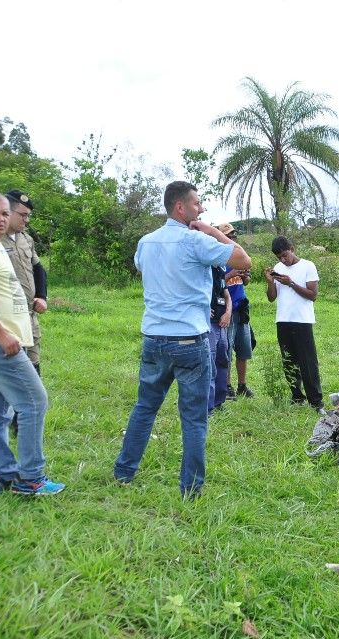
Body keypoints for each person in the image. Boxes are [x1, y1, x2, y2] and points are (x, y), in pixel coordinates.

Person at [113, 181, 250, 499]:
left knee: (145, 406)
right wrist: (210, 230)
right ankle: (191, 487)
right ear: (180, 207)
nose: (201, 209)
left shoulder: (146, 242)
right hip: (190, 340)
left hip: (154, 338)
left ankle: (124, 472)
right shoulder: (194, 241)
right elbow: (243, 261)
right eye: (197, 204)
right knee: (193, 416)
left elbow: (141, 268)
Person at [0, 193, 64, 496]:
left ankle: (6, 475)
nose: (1, 218)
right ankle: (30, 478)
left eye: (5, 213)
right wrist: (3, 333)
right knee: (34, 402)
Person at [265, 236, 323, 412]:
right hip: (283, 320)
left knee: (308, 362)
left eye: (285, 255)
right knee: (289, 361)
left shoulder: (308, 266)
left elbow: (313, 295)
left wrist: (291, 283)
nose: (283, 260)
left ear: (292, 248)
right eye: (279, 257)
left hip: (302, 320)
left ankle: (316, 402)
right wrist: (270, 282)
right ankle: (296, 396)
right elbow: (271, 297)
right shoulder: (278, 268)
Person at [1, 190, 47, 373]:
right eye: (23, 215)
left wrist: (41, 296)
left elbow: (38, 268)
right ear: (8, 212)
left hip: (29, 313)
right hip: (6, 317)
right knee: (11, 368)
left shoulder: (26, 239)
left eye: (29, 216)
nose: (27, 220)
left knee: (33, 365)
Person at [219, 224, 255, 399]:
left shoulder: (238, 256)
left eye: (233, 236)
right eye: (228, 236)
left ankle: (242, 385)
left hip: (241, 307)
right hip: (227, 309)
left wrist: (244, 277)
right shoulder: (217, 257)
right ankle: (227, 387)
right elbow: (214, 284)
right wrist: (231, 272)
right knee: (227, 350)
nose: (232, 239)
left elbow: (245, 283)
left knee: (244, 349)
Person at [207, 261, 232, 413]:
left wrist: (228, 313)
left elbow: (226, 295)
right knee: (209, 363)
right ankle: (208, 407)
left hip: (221, 322)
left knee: (222, 360)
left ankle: (218, 402)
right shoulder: (201, 268)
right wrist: (201, 306)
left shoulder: (220, 269)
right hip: (206, 323)